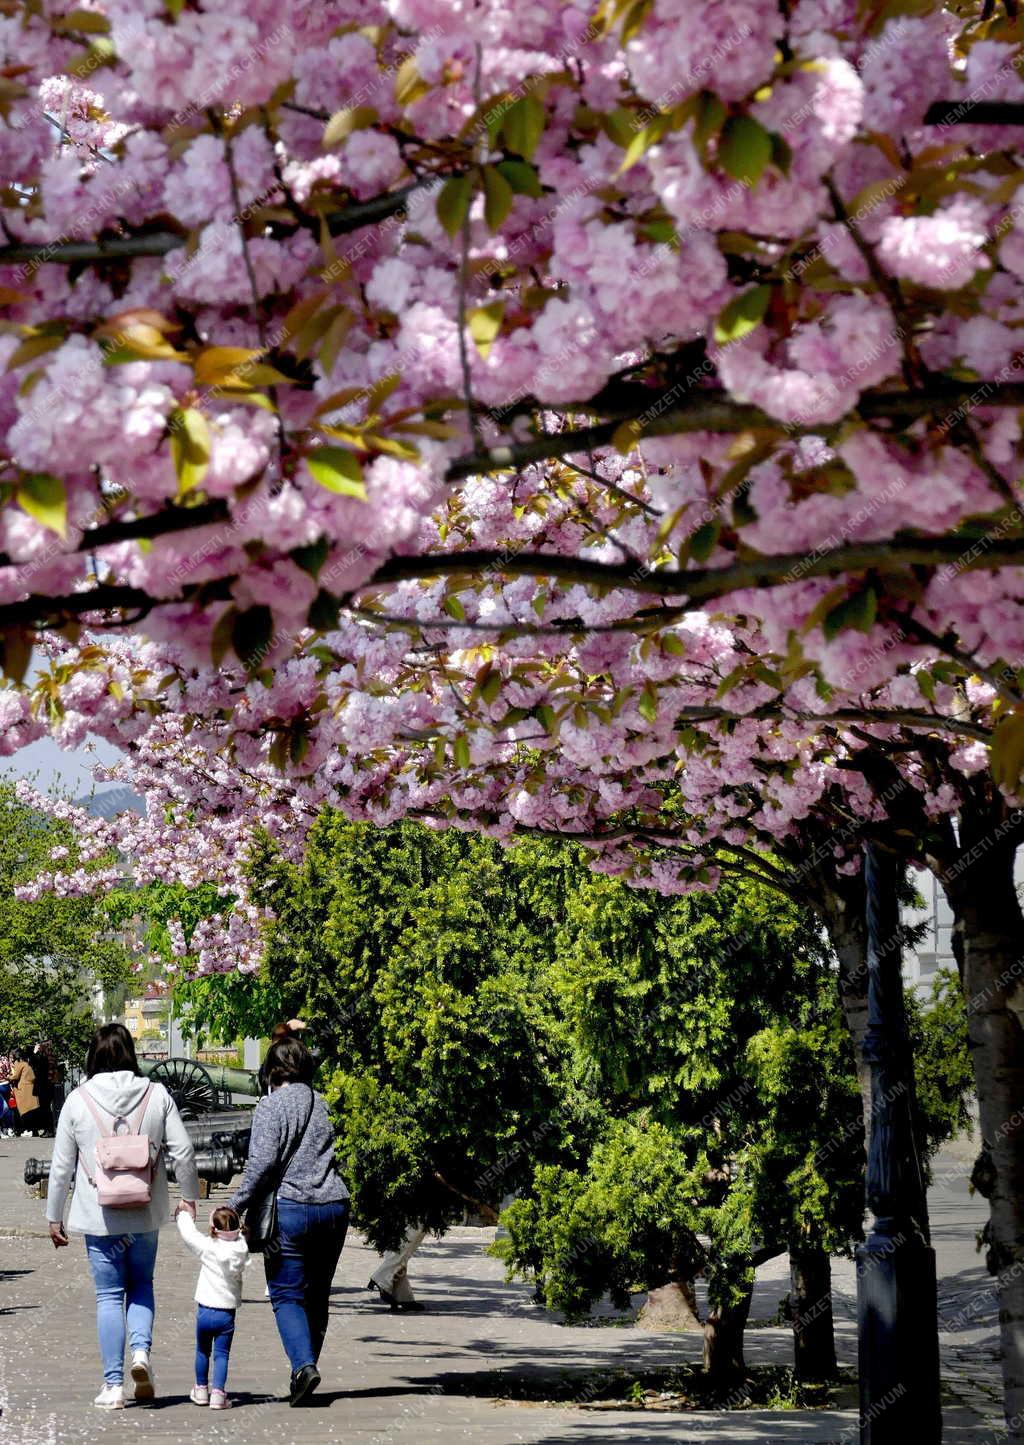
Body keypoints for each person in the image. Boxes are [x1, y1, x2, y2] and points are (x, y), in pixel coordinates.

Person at [46, 1022, 199, 1410]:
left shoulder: (78, 1100)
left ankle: (113, 1386)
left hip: (99, 1218)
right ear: (131, 1053)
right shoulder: (157, 1094)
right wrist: (190, 1198)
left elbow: (61, 1165)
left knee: (109, 1296)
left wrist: (54, 1215)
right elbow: (183, 1152)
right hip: (145, 1213)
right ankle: (141, 1355)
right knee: (142, 1284)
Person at [229, 1035, 349, 1407]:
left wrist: (235, 1205)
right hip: (334, 1206)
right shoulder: (325, 1103)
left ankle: (303, 1365)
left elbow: (262, 1163)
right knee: (318, 1293)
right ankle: (304, 1368)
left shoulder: (270, 1107)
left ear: (271, 1071)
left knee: (285, 1292)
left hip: (292, 1209)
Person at [175, 1202, 249, 1410]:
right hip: (227, 1314)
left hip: (205, 1311)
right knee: (221, 1354)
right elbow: (238, 1235)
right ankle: (218, 1394)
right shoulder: (241, 1249)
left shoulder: (208, 1247)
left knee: (202, 1351)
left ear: (213, 1230)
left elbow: (190, 1235)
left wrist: (183, 1215)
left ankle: (200, 1389)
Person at [10, 1048, 45, 1136]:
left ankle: (27, 1129)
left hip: (23, 1090)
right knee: (33, 1111)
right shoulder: (28, 1063)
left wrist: (7, 1077)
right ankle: (34, 1131)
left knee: (24, 1112)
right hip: (31, 1088)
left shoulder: (19, 1064)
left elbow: (15, 1076)